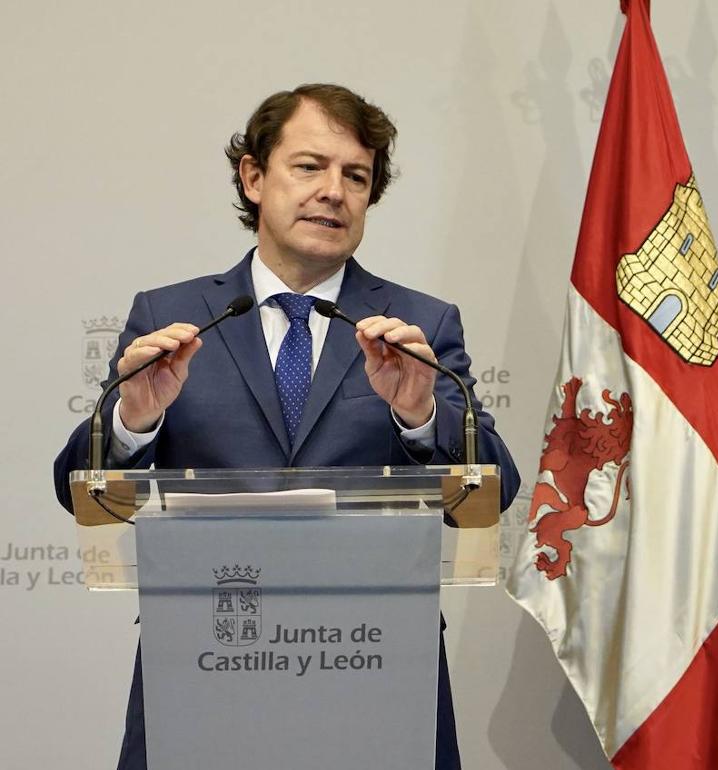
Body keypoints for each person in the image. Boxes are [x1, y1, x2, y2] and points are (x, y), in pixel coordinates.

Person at [52, 83, 520, 770]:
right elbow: (79, 492)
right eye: (309, 166)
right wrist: (133, 418)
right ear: (253, 177)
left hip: (378, 667)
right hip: (204, 665)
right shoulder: (170, 314)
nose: (333, 191)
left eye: (355, 176)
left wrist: (419, 412)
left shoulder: (419, 326)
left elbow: (493, 495)